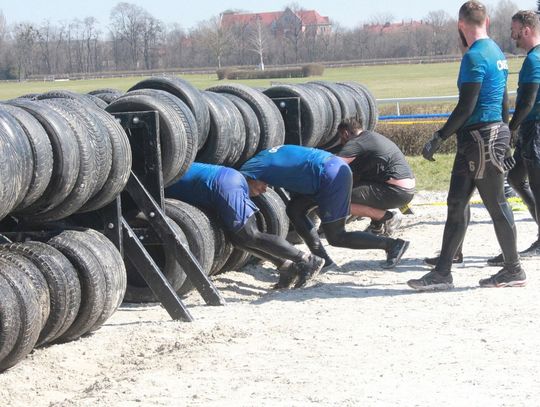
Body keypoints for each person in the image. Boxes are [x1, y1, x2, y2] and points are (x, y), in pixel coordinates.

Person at [407, 0, 526, 291]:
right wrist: (507, 137)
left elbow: (466, 106)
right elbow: (504, 101)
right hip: (483, 138)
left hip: (481, 139)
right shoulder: (497, 52)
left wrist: (439, 137)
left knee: (497, 204)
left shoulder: (474, 57)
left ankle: (513, 269)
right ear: (486, 22)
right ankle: (442, 272)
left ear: (461, 25)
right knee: (456, 203)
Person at [239, 144, 410, 270]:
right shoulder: (262, 162)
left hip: (330, 175)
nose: (263, 190)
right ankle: (323, 260)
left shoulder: (252, 169)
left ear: (249, 179)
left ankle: (392, 245)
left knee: (336, 236)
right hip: (328, 170)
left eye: (259, 188)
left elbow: (235, 186)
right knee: (295, 209)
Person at [165, 162, 324, 289]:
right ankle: (287, 266)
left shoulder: (165, 168)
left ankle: (307, 259)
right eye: (264, 184)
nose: (264, 190)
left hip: (223, 182)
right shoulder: (166, 167)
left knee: (250, 234)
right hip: (223, 180)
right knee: (239, 238)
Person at [488, 10, 540, 264]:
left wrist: (510, 129)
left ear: (527, 30)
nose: (512, 35)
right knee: (517, 178)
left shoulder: (534, 60)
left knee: (537, 188)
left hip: (534, 130)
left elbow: (527, 101)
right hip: (531, 130)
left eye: (515, 30)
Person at [334, 117, 416, 236]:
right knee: (361, 185)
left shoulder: (356, 142)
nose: (341, 142)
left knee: (338, 199)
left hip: (395, 191)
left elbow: (333, 165)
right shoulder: (371, 137)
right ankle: (377, 226)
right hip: (406, 190)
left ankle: (388, 217)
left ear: (345, 133)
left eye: (341, 138)